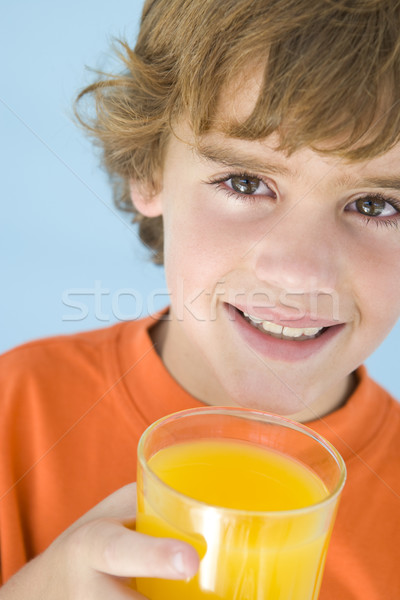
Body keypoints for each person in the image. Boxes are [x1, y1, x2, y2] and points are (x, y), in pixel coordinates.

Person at [1, 0, 400, 598]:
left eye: (375, 205)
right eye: (245, 182)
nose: (297, 274)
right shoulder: (18, 410)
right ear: (149, 174)